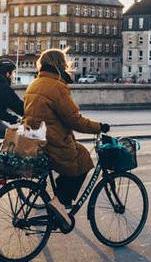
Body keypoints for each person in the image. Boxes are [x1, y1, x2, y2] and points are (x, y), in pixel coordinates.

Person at [22, 48, 110, 230]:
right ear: (60, 65)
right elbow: (74, 119)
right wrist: (99, 127)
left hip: (32, 140)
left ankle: (59, 200)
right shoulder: (57, 87)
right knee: (83, 158)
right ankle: (62, 203)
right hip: (52, 142)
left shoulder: (34, 83)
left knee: (73, 159)